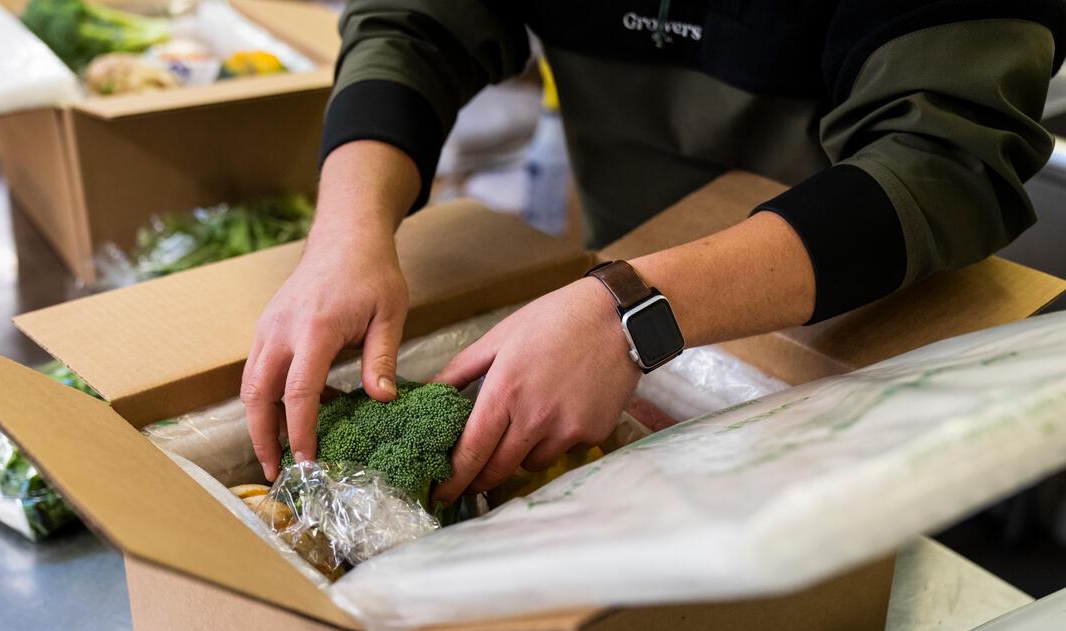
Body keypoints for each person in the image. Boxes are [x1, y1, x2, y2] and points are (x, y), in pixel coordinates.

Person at [241, 0, 1065, 503]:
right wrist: (345, 233)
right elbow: (414, 20)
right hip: (617, 260)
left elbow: (943, 161)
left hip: (861, 324)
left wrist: (630, 316)